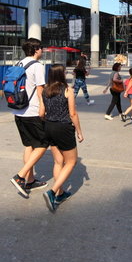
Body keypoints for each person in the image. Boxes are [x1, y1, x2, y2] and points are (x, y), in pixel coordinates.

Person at [40, 64, 84, 212]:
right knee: (71, 161)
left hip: (49, 127)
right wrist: (79, 131)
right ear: (61, 74)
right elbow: (72, 113)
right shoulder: (67, 90)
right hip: (63, 128)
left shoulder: (45, 90)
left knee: (58, 162)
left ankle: (60, 193)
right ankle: (52, 192)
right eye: (65, 72)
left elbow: (42, 113)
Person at [10, 38, 48, 198]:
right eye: (41, 48)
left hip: (18, 111)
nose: (42, 51)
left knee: (29, 145)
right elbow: (40, 90)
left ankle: (30, 180)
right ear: (36, 50)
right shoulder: (37, 66)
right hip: (32, 111)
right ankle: (20, 176)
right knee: (42, 144)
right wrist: (43, 108)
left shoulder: (20, 63)